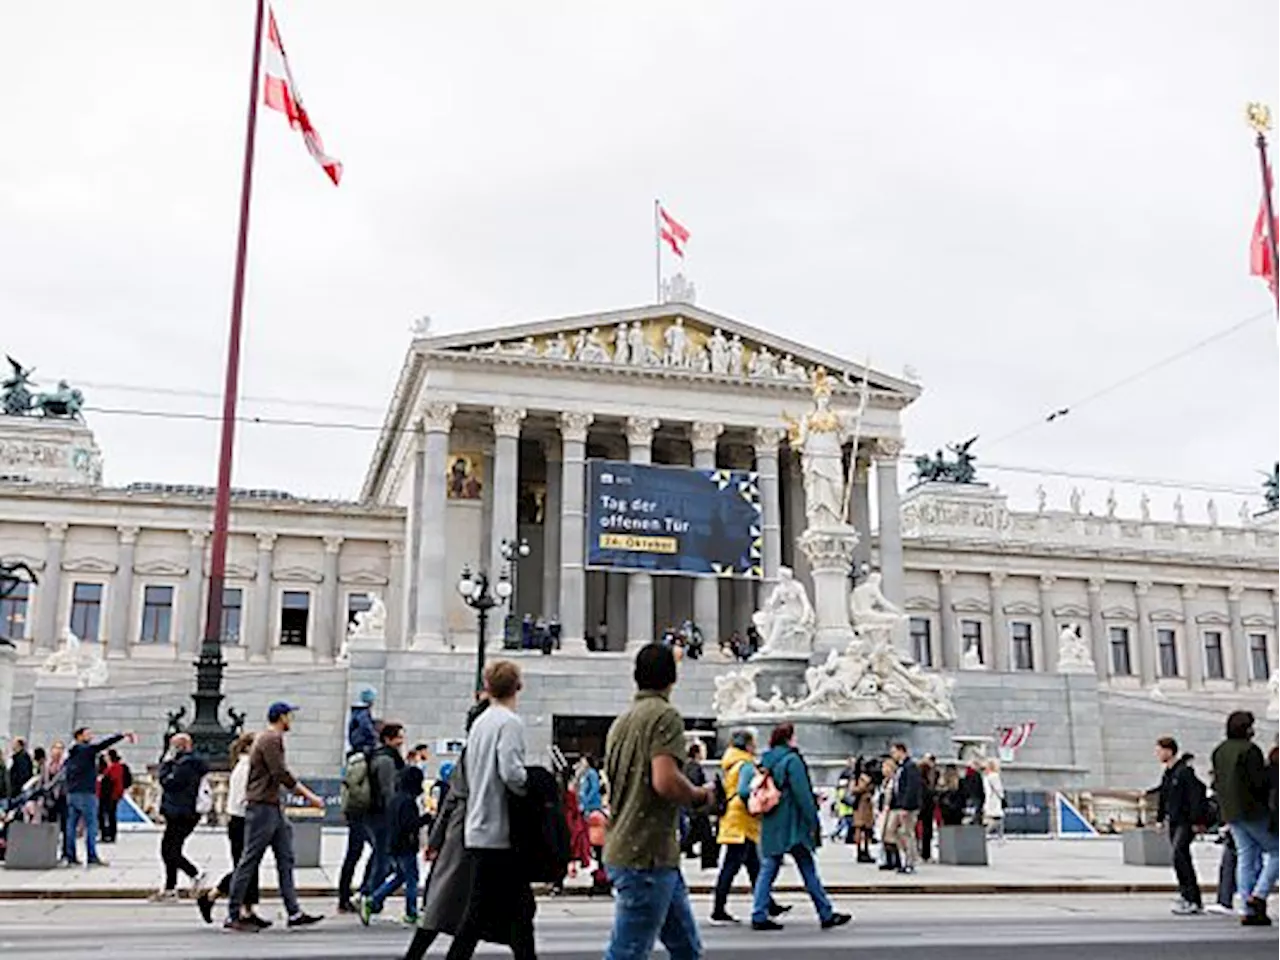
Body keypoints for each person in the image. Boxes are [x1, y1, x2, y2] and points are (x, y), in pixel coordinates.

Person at [602, 643, 712, 959]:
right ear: (672, 677)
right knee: (628, 951)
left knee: (687, 949)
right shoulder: (665, 716)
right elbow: (664, 780)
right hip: (646, 854)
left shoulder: (621, 723)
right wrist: (699, 796)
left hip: (642, 850)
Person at [439, 659, 535, 960]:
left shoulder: (480, 724)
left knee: (513, 909)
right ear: (518, 686)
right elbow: (511, 774)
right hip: (501, 831)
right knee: (484, 911)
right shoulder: (510, 723)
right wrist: (532, 784)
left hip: (478, 825)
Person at [224, 702, 325, 932]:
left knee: (285, 857)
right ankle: (233, 913)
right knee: (250, 860)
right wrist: (310, 797)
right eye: (289, 715)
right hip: (262, 808)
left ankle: (294, 911)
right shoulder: (270, 739)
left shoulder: (269, 739)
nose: (292, 720)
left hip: (272, 806)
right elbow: (280, 773)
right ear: (281, 717)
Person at [402, 699, 491, 960]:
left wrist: (436, 838)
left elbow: (450, 799)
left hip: (463, 830)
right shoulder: (481, 751)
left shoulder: (470, 751)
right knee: (456, 904)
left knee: (460, 905)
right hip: (474, 831)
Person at [750, 723, 850, 932]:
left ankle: (759, 913)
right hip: (792, 822)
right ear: (789, 739)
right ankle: (825, 913)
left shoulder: (767, 760)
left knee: (768, 868)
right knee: (807, 868)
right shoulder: (792, 760)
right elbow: (801, 793)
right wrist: (813, 820)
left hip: (772, 820)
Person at [710, 729, 788, 926]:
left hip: (734, 818)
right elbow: (745, 790)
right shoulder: (745, 764)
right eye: (753, 742)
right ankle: (718, 909)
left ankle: (768, 904)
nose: (755, 746)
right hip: (741, 820)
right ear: (746, 745)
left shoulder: (731, 762)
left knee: (754, 866)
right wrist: (757, 799)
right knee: (731, 866)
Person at [1211, 710, 1277, 926]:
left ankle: (1247, 908)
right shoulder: (1250, 750)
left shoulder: (1220, 751)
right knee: (1277, 851)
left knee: (1245, 857)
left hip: (1231, 812)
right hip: (1253, 810)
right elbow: (1259, 783)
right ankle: (1258, 895)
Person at [196, 733, 266, 927]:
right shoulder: (246, 769)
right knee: (244, 868)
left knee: (250, 867)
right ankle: (212, 896)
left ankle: (248, 909)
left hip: (242, 821)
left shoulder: (244, 766)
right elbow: (246, 797)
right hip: (242, 821)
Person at [362, 765, 431, 925]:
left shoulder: (394, 799)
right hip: (406, 845)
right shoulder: (409, 802)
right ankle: (411, 912)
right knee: (412, 879)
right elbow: (409, 825)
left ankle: (373, 900)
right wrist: (426, 819)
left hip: (393, 844)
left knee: (400, 877)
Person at [64, 727, 135, 866]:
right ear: (79, 736)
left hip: (72, 792)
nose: (91, 736)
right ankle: (92, 856)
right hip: (86, 792)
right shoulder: (85, 749)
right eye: (87, 734)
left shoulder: (72, 752)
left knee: (71, 825)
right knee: (92, 824)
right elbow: (103, 744)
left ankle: (70, 855)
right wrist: (122, 735)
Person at [151, 732, 208, 902]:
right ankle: (170, 888)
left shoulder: (186, 764)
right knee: (170, 850)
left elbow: (169, 783)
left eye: (173, 745)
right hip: (182, 812)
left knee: (169, 850)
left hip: (181, 812)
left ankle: (194, 874)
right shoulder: (190, 762)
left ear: (181, 746)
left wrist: (166, 764)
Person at [1154, 737, 1204, 915]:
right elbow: (1163, 797)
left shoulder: (1184, 772)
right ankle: (1187, 896)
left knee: (1179, 855)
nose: (1157, 754)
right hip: (1173, 821)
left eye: (1159, 750)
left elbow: (1195, 796)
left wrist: (1197, 821)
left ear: (1169, 751)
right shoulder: (1168, 773)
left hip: (1185, 821)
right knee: (1180, 859)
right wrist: (1160, 818)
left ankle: (1192, 898)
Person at [363, 722, 408, 903]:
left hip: (377, 814)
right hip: (381, 815)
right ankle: (370, 896)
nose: (401, 741)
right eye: (398, 737)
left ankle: (368, 892)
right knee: (383, 859)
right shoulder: (386, 761)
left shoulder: (386, 758)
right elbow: (388, 791)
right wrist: (396, 815)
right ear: (388, 739)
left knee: (380, 856)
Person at [886, 743, 922, 874]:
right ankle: (906, 854)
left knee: (907, 833)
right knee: (892, 831)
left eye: (894, 752)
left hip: (907, 807)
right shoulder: (901, 767)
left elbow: (911, 788)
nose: (892, 755)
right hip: (898, 805)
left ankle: (910, 861)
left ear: (901, 751)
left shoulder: (910, 766)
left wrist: (906, 806)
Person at [681, 742, 717, 870]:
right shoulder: (694, 767)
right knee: (704, 833)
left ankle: (688, 849)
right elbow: (695, 783)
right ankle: (708, 860)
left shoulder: (688, 766)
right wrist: (707, 787)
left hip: (691, 806)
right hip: (697, 806)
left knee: (697, 833)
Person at [100, 749, 128, 843]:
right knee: (106, 814)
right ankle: (106, 833)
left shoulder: (116, 767)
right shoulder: (107, 767)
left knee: (110, 814)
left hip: (111, 794)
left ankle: (110, 834)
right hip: (107, 794)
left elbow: (114, 780)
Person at [876, 757, 899, 871]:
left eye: (885, 767)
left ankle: (896, 860)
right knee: (884, 836)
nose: (883, 770)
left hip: (890, 810)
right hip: (883, 810)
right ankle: (888, 859)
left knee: (891, 836)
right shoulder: (885, 781)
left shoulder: (894, 781)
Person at [849, 767, 876, 863]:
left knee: (866, 829)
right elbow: (854, 790)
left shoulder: (860, 778)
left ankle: (865, 850)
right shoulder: (860, 778)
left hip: (865, 806)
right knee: (860, 829)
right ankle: (861, 851)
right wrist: (866, 785)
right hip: (861, 806)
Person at [919, 754, 939, 862]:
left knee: (924, 830)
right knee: (926, 829)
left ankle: (923, 852)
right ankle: (925, 853)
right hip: (926, 805)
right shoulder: (925, 779)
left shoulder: (931, 775)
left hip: (924, 805)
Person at [349, 687, 379, 755]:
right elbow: (366, 727)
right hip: (363, 745)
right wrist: (375, 736)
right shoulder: (363, 713)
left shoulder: (357, 712)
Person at [982, 759, 1006, 842]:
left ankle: (1000, 835)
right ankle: (988, 833)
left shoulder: (986, 776)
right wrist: (1002, 796)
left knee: (997, 818)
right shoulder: (994, 776)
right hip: (994, 799)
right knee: (996, 818)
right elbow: (998, 789)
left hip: (990, 798)